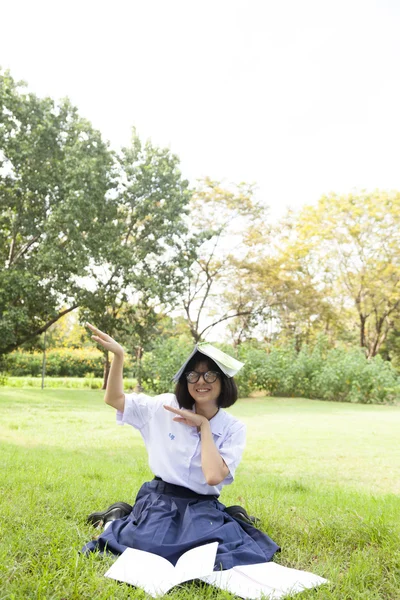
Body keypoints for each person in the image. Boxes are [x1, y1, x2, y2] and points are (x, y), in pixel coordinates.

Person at [82, 323, 280, 570]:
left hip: (202, 505)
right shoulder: (165, 406)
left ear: (223, 381)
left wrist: (204, 428)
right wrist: (119, 357)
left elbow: (212, 476)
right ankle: (119, 514)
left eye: (209, 374)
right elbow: (114, 399)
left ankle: (231, 516)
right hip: (161, 499)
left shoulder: (233, 428)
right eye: (193, 375)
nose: (200, 381)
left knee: (213, 555)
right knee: (150, 550)